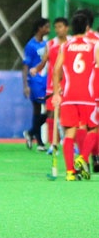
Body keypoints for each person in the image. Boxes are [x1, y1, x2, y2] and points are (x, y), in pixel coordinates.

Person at [52, 13, 99, 181]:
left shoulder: (65, 45)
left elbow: (56, 69)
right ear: (87, 27)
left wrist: (56, 93)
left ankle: (70, 172)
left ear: (71, 27)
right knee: (93, 129)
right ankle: (83, 158)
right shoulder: (94, 45)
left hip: (69, 95)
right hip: (88, 95)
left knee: (69, 133)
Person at [30, 17, 70, 154]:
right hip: (52, 84)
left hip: (68, 83)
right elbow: (45, 60)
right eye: (56, 27)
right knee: (52, 114)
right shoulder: (51, 43)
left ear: (67, 28)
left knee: (66, 114)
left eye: (61, 26)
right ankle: (54, 143)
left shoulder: (71, 44)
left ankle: (69, 143)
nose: (58, 29)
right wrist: (36, 69)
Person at [75, 8, 99, 172]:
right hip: (94, 87)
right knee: (95, 125)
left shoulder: (70, 42)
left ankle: (86, 162)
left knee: (81, 126)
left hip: (75, 90)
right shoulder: (96, 40)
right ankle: (94, 157)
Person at [22, 18, 50, 151]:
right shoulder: (31, 45)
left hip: (45, 79)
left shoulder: (46, 44)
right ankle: (39, 142)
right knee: (38, 109)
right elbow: (26, 66)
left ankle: (31, 133)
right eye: (46, 27)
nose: (48, 29)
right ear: (40, 28)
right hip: (35, 81)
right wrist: (25, 85)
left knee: (49, 110)